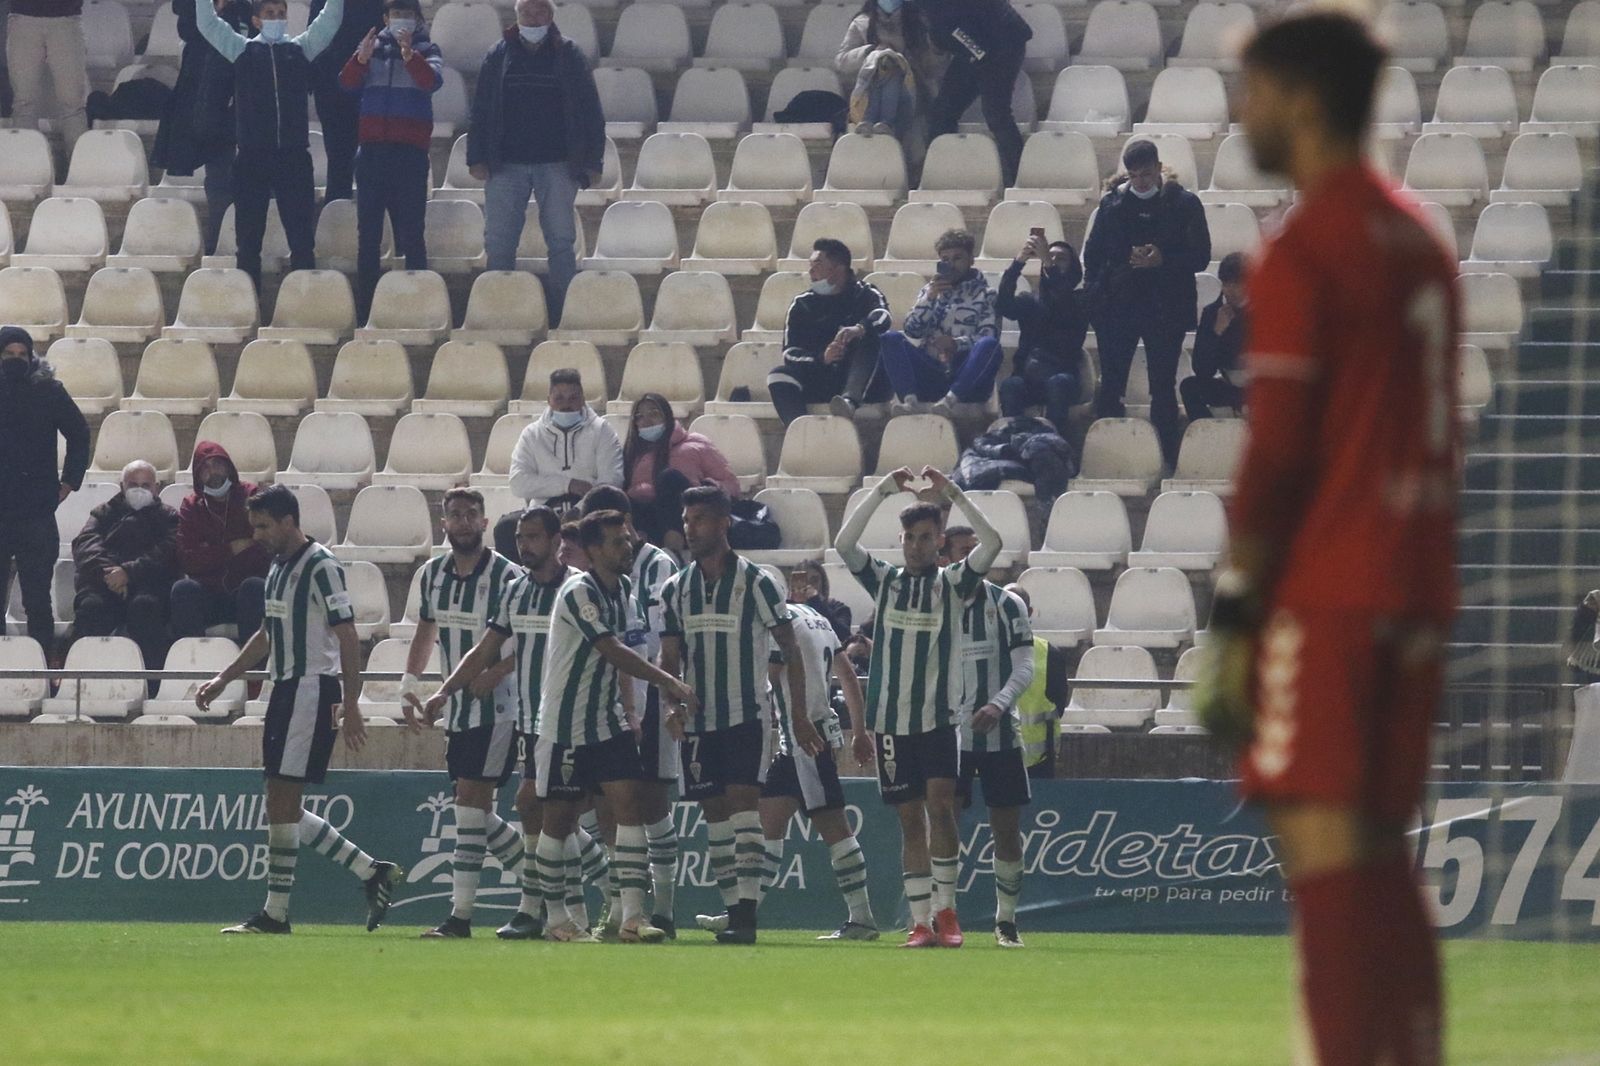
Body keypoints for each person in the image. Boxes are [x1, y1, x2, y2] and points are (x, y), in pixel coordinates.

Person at [1195, 13, 1460, 1064]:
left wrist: (1235, 607)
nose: (1241, 110)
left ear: (1302, 98)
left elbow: (1278, 450)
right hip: (1417, 583)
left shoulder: (1305, 244)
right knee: (1380, 856)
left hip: (1333, 583)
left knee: (1323, 854)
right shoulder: (1419, 237)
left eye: (1251, 89)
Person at [196, 485, 404, 934]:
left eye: (264, 526)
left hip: (312, 688)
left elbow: (348, 635)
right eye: (255, 526)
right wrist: (224, 678)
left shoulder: (321, 565)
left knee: (282, 797)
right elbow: (269, 634)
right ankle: (371, 872)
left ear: (289, 521)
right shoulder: (277, 567)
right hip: (285, 688)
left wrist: (351, 703)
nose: (258, 535)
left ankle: (277, 913)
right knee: (279, 799)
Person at [502, 510, 694, 941]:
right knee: (558, 818)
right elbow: (611, 650)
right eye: (616, 542)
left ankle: (631, 917)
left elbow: (623, 653)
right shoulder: (577, 593)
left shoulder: (623, 588)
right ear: (591, 551)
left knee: (629, 808)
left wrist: (629, 710)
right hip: (565, 724)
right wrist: (667, 682)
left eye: (627, 540)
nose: (627, 548)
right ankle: (556, 920)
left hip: (607, 723)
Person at [835, 465, 1001, 947]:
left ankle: (947, 913)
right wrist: (882, 490)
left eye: (926, 537)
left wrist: (954, 493)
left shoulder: (953, 584)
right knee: (910, 820)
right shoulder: (885, 581)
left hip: (938, 721)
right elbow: (845, 544)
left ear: (940, 543)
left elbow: (992, 544)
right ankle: (920, 921)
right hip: (891, 725)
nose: (916, 545)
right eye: (909, 536)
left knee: (941, 809)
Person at [658, 485, 824, 945]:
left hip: (748, 714)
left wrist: (799, 714)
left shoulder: (758, 582)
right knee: (715, 814)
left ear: (724, 523)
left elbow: (790, 649)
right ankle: (734, 909)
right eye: (688, 520)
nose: (691, 529)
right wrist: (672, 704)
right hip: (700, 720)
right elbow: (669, 658)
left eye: (701, 520)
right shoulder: (676, 589)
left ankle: (746, 916)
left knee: (743, 805)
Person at [398, 489, 526, 938]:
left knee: (470, 807)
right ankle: (543, 881)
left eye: (472, 514)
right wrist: (410, 684)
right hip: (455, 711)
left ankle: (461, 917)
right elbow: (426, 631)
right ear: (444, 524)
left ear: (485, 522)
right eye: (455, 515)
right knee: (471, 811)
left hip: (499, 708)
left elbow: (530, 644)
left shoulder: (509, 576)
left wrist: (499, 671)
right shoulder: (432, 574)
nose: (464, 522)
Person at [578, 485, 682, 936]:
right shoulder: (585, 581)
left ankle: (663, 909)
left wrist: (662, 688)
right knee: (607, 808)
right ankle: (621, 906)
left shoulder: (658, 565)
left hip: (651, 695)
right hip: (605, 700)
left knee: (652, 802)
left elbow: (660, 637)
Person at [194, 0, 349, 293]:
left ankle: (305, 305)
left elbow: (331, 19)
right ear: (256, 20)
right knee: (248, 244)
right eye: (270, 14)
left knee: (302, 242)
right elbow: (207, 24)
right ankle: (249, 306)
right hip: (252, 159)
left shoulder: (300, 50)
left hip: (293, 159)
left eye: (281, 14)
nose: (277, 19)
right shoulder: (241, 51)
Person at [468, 0, 605, 326]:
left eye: (540, 11)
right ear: (516, 15)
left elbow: (590, 109)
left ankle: (564, 316)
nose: (534, 17)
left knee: (560, 241)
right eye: (527, 11)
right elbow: (481, 108)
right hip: (505, 164)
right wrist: (476, 156)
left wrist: (593, 160)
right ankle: (499, 317)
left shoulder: (569, 53)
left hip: (557, 163)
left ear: (552, 15)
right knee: (499, 243)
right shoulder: (498, 54)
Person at [757, 596, 880, 941]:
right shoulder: (818, 620)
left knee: (835, 828)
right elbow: (849, 676)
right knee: (768, 820)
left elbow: (769, 676)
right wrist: (858, 731)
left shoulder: (779, 625)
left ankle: (863, 918)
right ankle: (742, 912)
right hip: (802, 741)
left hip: (806, 739)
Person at [1083, 137, 1212, 466]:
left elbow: (1200, 255)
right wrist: (1121, 264)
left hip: (1165, 307)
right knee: (1111, 383)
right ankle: (1108, 455)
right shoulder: (1111, 206)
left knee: (1163, 385)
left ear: (1158, 168)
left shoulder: (1185, 204)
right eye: (1135, 175)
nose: (1141, 180)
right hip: (1119, 306)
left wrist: (1163, 259)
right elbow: (1094, 255)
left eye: (1146, 173)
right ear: (1127, 174)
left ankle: (1166, 457)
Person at [942, 525, 1034, 948]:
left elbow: (1025, 667)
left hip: (999, 737)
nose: (972, 560)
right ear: (948, 559)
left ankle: (1006, 921)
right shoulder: (935, 603)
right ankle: (944, 917)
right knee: (942, 825)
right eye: (963, 553)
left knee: (1006, 828)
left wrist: (998, 703)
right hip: (947, 737)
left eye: (976, 552)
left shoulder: (1007, 604)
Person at [338, 0, 442, 321]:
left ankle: (417, 309)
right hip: (371, 153)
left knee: (412, 233)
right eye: (395, 14)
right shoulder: (371, 47)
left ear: (418, 19)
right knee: (368, 236)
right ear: (385, 18)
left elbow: (432, 82)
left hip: (410, 153)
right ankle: (368, 310)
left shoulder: (428, 47)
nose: (401, 20)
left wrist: (411, 56)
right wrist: (361, 59)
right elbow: (346, 83)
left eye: (407, 15)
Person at [0, 326, 89, 660]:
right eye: (8, 354)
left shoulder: (48, 391)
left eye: (21, 354)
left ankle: (41, 667)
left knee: (37, 598)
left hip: (35, 510)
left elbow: (79, 433)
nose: (15, 360)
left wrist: (69, 482)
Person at [152, 0, 254, 255]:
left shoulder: (246, 10)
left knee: (239, 177)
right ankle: (218, 241)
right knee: (218, 178)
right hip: (204, 98)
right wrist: (215, 7)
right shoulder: (196, 8)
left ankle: (238, 241)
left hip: (239, 98)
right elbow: (187, 28)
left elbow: (254, 44)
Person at [498, 367, 624, 558]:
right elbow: (517, 482)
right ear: (549, 400)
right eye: (559, 399)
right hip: (543, 512)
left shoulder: (601, 430)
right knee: (506, 527)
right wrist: (567, 484)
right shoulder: (532, 434)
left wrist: (578, 510)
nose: (566, 405)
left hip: (587, 511)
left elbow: (612, 481)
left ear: (582, 399)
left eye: (573, 398)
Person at [768, 237, 893, 425]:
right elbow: (790, 353)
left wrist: (859, 329)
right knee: (779, 375)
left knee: (873, 336)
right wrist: (822, 358)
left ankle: (850, 401)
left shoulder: (866, 293)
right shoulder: (802, 304)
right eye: (810, 265)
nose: (810, 271)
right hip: (822, 377)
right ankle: (800, 430)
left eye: (817, 264)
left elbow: (883, 317)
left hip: (866, 380)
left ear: (838, 269)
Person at [70, 460, 180, 674]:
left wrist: (129, 573)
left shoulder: (169, 517)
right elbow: (85, 545)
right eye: (133, 484)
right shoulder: (102, 513)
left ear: (156, 488)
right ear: (122, 486)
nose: (139, 490)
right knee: (91, 609)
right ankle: (80, 680)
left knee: (146, 609)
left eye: (145, 485)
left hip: (148, 587)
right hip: (103, 585)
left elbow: (167, 552)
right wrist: (111, 574)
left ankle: (153, 681)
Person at [879, 229, 1001, 415]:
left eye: (957, 258)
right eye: (945, 260)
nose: (950, 265)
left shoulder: (987, 294)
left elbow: (988, 337)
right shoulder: (930, 291)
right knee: (890, 339)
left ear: (971, 260)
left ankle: (950, 400)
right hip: (932, 370)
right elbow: (912, 331)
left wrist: (956, 344)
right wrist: (929, 298)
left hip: (966, 373)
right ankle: (909, 402)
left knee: (990, 345)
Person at [170, 441, 269, 645]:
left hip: (245, 591)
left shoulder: (251, 496)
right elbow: (188, 559)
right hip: (210, 593)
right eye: (204, 467)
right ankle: (192, 667)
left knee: (254, 587)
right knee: (183, 590)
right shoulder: (191, 506)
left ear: (228, 466)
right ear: (197, 476)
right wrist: (230, 549)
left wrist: (209, 554)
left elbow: (264, 548)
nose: (212, 471)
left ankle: (254, 672)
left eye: (217, 464)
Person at [923, 0, 1030, 186]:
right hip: (975, 39)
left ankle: (1023, 180)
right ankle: (939, 176)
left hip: (1003, 43)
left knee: (996, 114)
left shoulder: (939, 10)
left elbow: (973, 46)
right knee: (942, 111)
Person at [622, 393, 740, 554]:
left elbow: (731, 485)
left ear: (668, 416)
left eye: (654, 414)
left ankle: (673, 551)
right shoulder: (632, 454)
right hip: (652, 522)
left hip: (692, 518)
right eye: (639, 417)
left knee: (669, 478)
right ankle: (637, 552)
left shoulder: (694, 444)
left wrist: (704, 488)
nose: (647, 421)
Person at [996, 235, 1089, 432]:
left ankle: (1056, 445)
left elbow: (1062, 301)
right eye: (1050, 256)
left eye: (1060, 258)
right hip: (1028, 377)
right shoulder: (1030, 301)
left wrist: (1048, 263)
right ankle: (1014, 444)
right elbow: (1003, 305)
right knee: (1011, 385)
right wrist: (1018, 263)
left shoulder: (1081, 300)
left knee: (1059, 384)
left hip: (1063, 376)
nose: (1053, 260)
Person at [836, 0, 943, 143]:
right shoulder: (862, 23)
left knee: (894, 68)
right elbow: (842, 61)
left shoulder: (918, 22)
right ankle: (885, 124)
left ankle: (873, 120)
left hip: (912, 91)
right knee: (885, 66)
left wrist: (911, 56)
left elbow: (933, 68)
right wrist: (870, 51)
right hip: (869, 87)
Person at [308, 0, 384, 201]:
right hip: (332, 90)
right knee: (339, 164)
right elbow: (315, 38)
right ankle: (334, 224)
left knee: (375, 165)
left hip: (373, 89)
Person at [6, 0, 88, 155]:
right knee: (24, 102)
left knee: (72, 102)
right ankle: (26, 167)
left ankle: (80, 168)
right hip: (23, 18)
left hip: (66, 19)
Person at [1180, 251, 1250, 421]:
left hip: (1260, 385)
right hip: (1230, 385)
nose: (1230, 290)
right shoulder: (1213, 312)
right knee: (1190, 387)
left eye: (1236, 284)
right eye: (1226, 284)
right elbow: (1202, 370)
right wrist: (1216, 332)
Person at [786, 559, 852, 646]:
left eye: (814, 580)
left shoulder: (839, 609)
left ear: (823, 582)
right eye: (803, 581)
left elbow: (844, 636)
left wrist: (816, 603)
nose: (809, 585)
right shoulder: (786, 610)